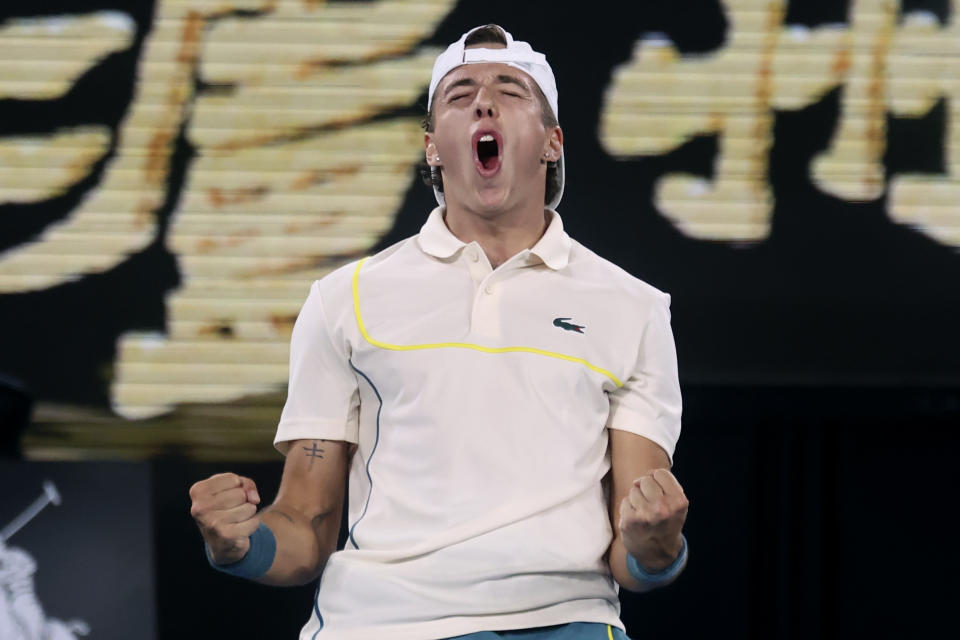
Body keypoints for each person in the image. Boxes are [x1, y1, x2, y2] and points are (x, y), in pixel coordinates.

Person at [189, 24, 689, 640]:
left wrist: (656, 544)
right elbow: (305, 525)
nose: (484, 101)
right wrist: (240, 545)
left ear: (552, 142)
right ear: (432, 149)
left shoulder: (632, 308)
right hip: (376, 624)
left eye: (511, 90)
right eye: (459, 94)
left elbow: (636, 552)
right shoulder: (343, 299)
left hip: (565, 621)